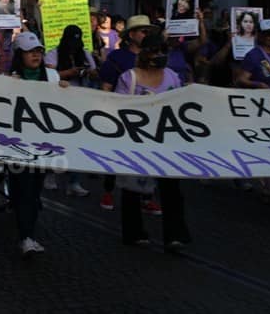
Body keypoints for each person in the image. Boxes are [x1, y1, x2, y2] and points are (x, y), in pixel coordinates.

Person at [115, 33, 191, 251]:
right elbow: (118, 107)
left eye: (162, 52)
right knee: (132, 188)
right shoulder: (129, 78)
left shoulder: (173, 77)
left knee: (172, 189)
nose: (159, 56)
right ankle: (134, 232)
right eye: (155, 52)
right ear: (145, 54)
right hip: (137, 141)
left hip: (166, 140)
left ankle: (175, 235)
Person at [8, 31, 68, 255]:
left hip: (43, 143)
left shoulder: (52, 77)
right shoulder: (11, 78)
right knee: (24, 190)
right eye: (30, 52)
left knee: (33, 191)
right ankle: (26, 236)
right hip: (17, 143)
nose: (36, 55)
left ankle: (28, 229)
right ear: (19, 55)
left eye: (39, 51)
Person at [98, 15, 161, 212]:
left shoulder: (155, 57)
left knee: (149, 157)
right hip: (122, 115)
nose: (146, 35)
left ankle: (147, 195)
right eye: (143, 31)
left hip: (149, 117)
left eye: (149, 32)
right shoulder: (117, 58)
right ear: (131, 35)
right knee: (117, 154)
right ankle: (108, 191)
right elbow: (107, 86)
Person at [44, 24, 96, 197]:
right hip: (57, 103)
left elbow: (95, 72)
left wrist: (88, 71)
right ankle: (50, 175)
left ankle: (74, 181)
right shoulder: (54, 53)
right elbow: (48, 75)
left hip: (79, 102)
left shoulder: (85, 53)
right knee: (55, 140)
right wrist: (69, 72)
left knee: (76, 143)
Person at [236, 19, 270, 203]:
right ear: (261, 35)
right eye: (269, 33)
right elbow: (241, 79)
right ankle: (266, 186)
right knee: (266, 146)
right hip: (261, 108)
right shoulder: (253, 55)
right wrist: (258, 84)